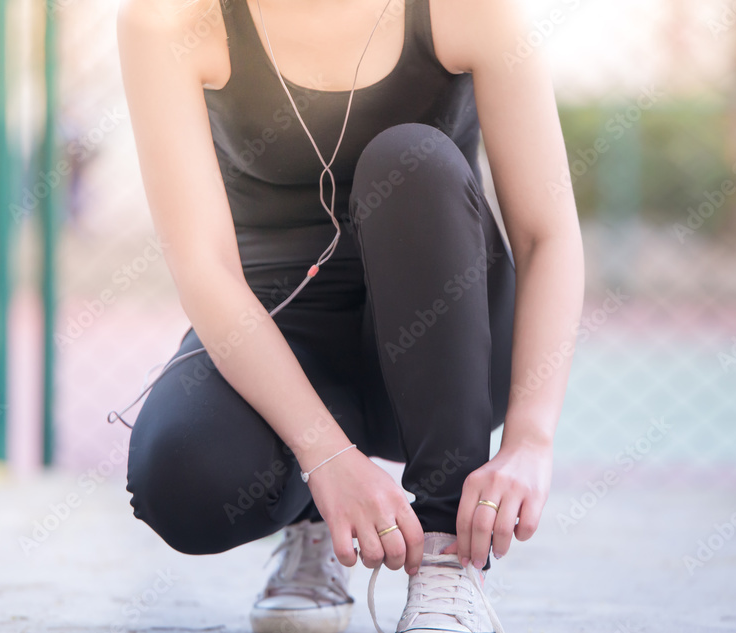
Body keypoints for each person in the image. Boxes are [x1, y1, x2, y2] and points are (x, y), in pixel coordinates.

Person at [116, 0, 584, 631]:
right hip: (280, 336)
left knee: (409, 159)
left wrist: (532, 438)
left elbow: (546, 235)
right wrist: (324, 455)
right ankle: (314, 522)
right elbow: (205, 269)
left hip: (447, 337)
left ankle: (448, 555)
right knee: (184, 478)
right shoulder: (168, 19)